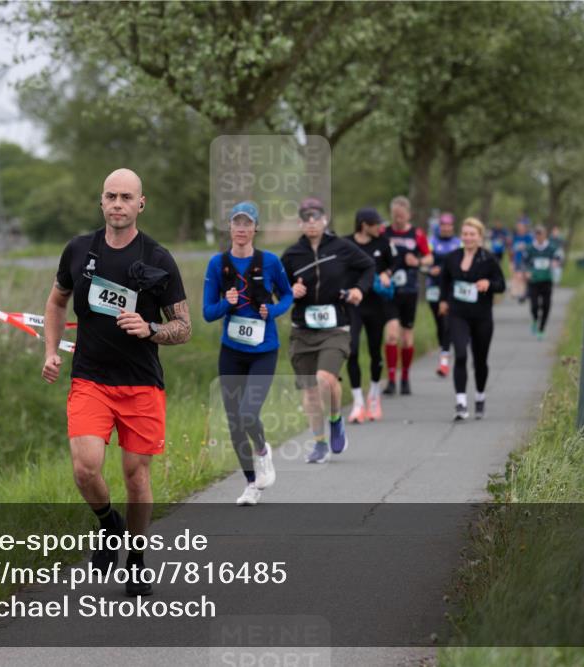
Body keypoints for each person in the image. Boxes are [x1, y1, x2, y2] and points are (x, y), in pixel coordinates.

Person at [43, 168, 191, 596]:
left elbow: (183, 326)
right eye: (111, 196)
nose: (118, 204)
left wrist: (151, 329)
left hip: (142, 383)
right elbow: (56, 302)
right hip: (91, 377)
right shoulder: (78, 250)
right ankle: (110, 522)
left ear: (141, 204)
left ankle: (138, 559)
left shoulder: (158, 258)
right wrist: (51, 351)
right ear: (101, 201)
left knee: (135, 476)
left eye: (127, 197)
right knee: (86, 467)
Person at [203, 201, 293, 506]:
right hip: (231, 352)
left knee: (248, 413)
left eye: (247, 223)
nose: (241, 229)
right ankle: (252, 484)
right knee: (234, 421)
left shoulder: (269, 262)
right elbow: (207, 313)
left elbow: (288, 294)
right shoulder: (218, 264)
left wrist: (274, 310)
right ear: (229, 227)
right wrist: (226, 303)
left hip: (264, 350)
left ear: (256, 228)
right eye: (236, 223)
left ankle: (264, 451)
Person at [281, 197, 374, 463]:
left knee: (325, 379)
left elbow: (368, 266)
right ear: (300, 222)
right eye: (306, 218)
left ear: (324, 220)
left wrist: (359, 290)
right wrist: (289, 291)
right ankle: (320, 443)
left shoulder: (342, 247)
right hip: (303, 330)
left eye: (316, 217)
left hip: (336, 326)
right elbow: (277, 286)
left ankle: (335, 419)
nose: (311, 222)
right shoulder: (291, 255)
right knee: (309, 390)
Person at [438, 217, 506, 421]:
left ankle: (480, 396)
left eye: (472, 234)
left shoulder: (488, 259)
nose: (468, 238)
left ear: (479, 237)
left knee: (480, 360)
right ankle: (460, 402)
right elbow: (444, 280)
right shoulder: (452, 257)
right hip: (458, 314)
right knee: (460, 355)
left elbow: (501, 284)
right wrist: (443, 300)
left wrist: (488, 283)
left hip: (481, 316)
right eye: (465, 234)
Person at [344, 207, 394, 423]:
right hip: (353, 305)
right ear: (364, 224)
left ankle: (374, 395)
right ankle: (357, 402)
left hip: (376, 304)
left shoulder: (382, 243)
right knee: (352, 350)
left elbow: (393, 263)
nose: (380, 227)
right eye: (376, 224)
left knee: (375, 351)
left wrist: (386, 273)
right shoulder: (345, 244)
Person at [382, 195, 432, 396]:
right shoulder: (384, 232)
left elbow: (429, 257)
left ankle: (405, 378)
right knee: (392, 334)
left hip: (409, 290)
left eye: (401, 216)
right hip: (389, 291)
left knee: (406, 336)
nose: (398, 220)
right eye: (395, 216)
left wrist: (418, 262)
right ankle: (392, 379)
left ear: (409, 215)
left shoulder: (417, 234)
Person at [427, 212, 462, 377]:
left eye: (449, 225)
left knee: (447, 321)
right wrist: (429, 269)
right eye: (443, 225)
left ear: (452, 227)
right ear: (439, 226)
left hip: (451, 288)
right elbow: (424, 261)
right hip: (433, 287)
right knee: (439, 323)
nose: (446, 228)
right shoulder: (432, 242)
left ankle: (444, 359)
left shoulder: (458, 243)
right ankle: (444, 348)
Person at [525, 225, 560, 340]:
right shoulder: (530, 248)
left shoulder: (551, 248)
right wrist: (527, 271)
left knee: (546, 305)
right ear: (535, 235)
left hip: (546, 280)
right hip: (533, 281)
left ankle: (541, 329)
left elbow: (558, 258)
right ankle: (535, 319)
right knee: (534, 305)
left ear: (545, 235)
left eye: (541, 234)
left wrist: (555, 262)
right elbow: (525, 261)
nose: (539, 237)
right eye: (537, 234)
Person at [510, 220, 533, 304]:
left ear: (525, 228)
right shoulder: (516, 237)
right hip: (517, 259)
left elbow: (531, 247)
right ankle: (518, 293)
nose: (520, 228)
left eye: (522, 227)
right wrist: (512, 260)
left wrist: (524, 246)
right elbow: (512, 249)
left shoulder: (528, 237)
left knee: (525, 277)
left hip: (526, 259)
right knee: (517, 276)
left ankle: (525, 293)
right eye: (519, 227)